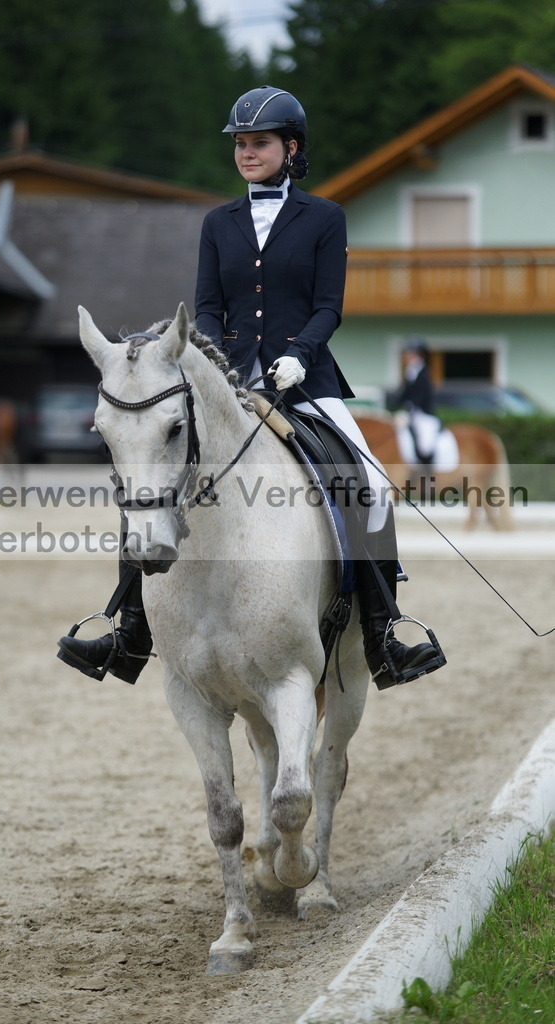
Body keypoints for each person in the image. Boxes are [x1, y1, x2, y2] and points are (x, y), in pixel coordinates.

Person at [57, 86, 446, 691]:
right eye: (240, 144)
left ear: (290, 148)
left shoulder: (324, 217)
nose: (246, 153)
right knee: (152, 482)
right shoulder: (219, 223)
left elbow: (328, 307)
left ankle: (384, 631)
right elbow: (207, 310)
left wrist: (298, 354)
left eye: (259, 143)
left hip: (305, 380)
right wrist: (212, 368)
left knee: (367, 485)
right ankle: (128, 627)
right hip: (230, 384)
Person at [396, 338, 442, 465]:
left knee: (425, 445)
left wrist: (411, 406)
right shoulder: (409, 372)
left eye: (412, 353)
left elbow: (421, 394)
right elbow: (405, 394)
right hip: (411, 412)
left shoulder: (425, 372)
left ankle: (427, 467)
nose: (409, 356)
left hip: (424, 413)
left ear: (420, 355)